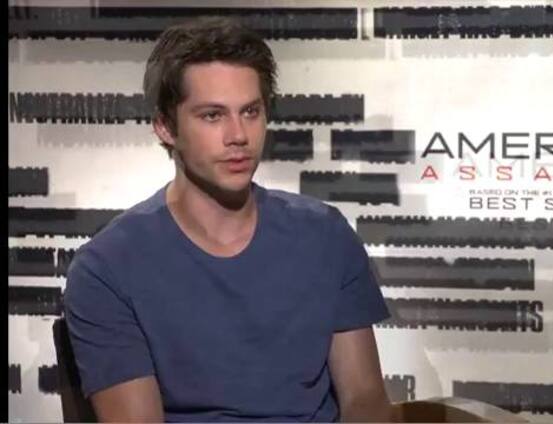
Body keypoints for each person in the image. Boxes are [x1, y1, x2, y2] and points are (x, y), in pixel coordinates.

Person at [63, 16, 392, 422]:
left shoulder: (326, 235)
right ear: (165, 127)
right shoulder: (107, 267)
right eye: (212, 115)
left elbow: (365, 399)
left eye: (250, 111)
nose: (238, 135)